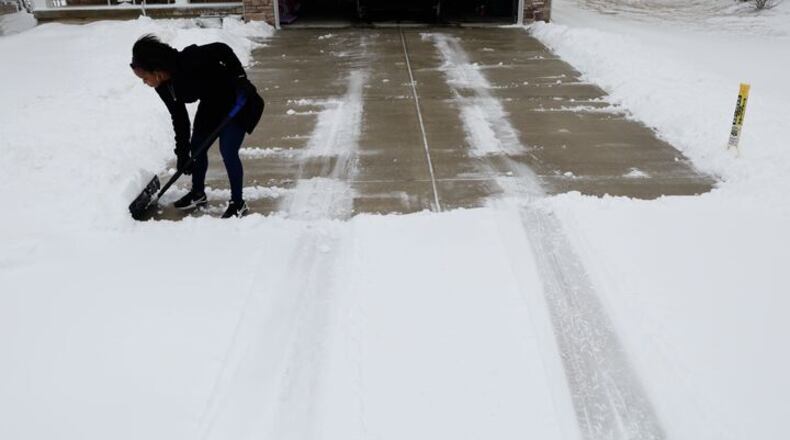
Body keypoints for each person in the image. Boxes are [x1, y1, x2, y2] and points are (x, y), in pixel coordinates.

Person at [130, 34, 264, 218]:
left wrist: (241, 78)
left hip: (237, 101)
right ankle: (198, 194)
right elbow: (179, 117)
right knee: (196, 148)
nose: (145, 83)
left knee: (228, 151)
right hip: (211, 104)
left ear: (156, 70)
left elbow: (222, 48)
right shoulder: (163, 86)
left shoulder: (189, 59)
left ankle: (238, 203)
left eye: (144, 77)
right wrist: (182, 152)